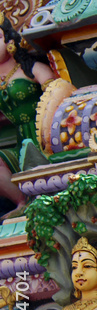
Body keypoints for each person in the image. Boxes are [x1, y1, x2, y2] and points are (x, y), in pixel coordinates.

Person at [0, 17, 59, 216]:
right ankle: (21, 202)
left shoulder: (28, 69)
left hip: (44, 131)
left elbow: (55, 89)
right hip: (20, 139)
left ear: (9, 43)